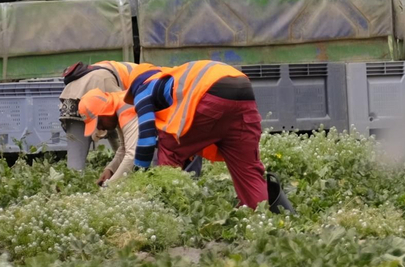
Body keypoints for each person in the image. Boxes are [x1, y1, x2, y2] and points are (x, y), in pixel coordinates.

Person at [124, 60, 291, 210]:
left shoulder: (144, 88)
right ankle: (264, 219)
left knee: (169, 147)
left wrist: (140, 176)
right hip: (244, 93)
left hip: (212, 94)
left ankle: (169, 209)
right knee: (248, 171)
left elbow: (146, 138)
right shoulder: (173, 80)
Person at [77, 89, 140, 186]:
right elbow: (124, 148)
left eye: (99, 123)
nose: (100, 128)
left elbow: (132, 155)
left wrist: (110, 186)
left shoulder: (126, 109)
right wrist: (110, 170)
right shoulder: (118, 107)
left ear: (105, 112)